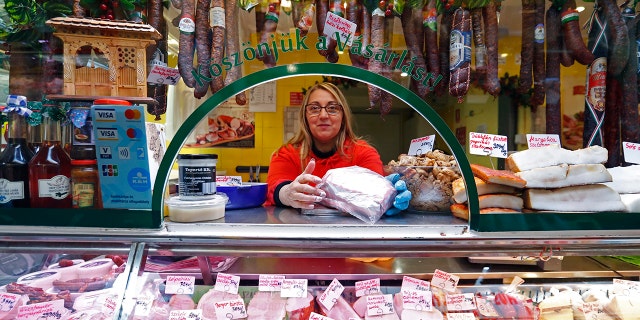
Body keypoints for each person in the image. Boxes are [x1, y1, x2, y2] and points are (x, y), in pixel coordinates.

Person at [265, 82, 410, 213]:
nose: (323, 115)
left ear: (343, 117)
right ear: (305, 117)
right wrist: (287, 194)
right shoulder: (286, 154)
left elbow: (376, 196)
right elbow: (275, 188)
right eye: (314, 108)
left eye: (332, 108)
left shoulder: (364, 153)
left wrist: (387, 196)